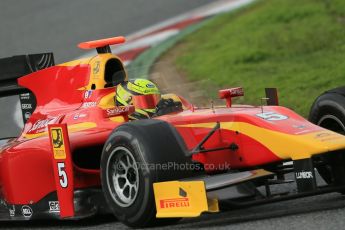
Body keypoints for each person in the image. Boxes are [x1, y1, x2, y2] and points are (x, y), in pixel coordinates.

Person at [115, 79, 183, 120]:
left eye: (156, 99)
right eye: (147, 101)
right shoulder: (123, 126)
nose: (155, 106)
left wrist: (173, 113)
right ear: (129, 103)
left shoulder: (161, 110)